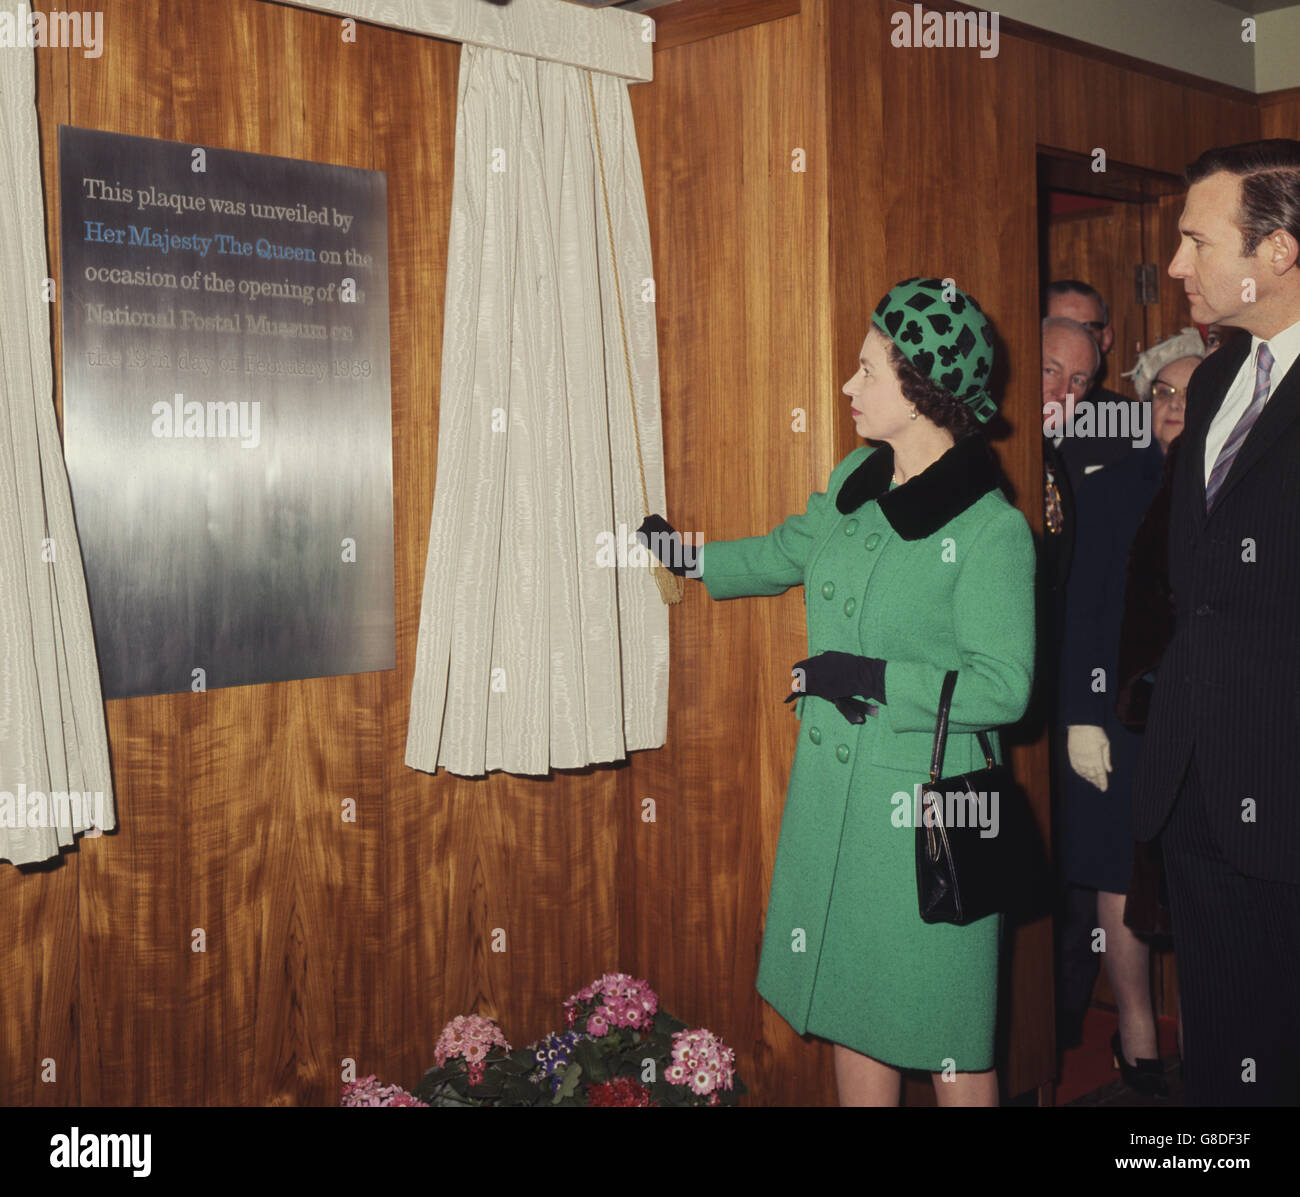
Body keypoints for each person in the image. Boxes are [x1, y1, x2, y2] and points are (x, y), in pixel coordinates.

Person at [638, 278, 1036, 1107]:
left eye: (868, 371)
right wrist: (691, 558)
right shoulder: (861, 473)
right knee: (856, 1013)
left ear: (923, 392)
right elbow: (792, 549)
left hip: (926, 810)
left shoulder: (989, 528)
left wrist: (867, 677)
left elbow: (1005, 686)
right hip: (839, 806)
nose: (849, 387)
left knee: (950, 1039)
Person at [1132, 139, 1300, 1107]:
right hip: (1197, 791)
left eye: (1197, 240)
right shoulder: (1212, 381)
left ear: (1278, 249)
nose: (1176, 266)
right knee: (1226, 1063)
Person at [1059, 328, 1205, 1098]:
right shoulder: (1115, 485)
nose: (1175, 407)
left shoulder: (1234, 481)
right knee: (1120, 874)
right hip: (1119, 723)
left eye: (1190, 391)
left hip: (1208, 722)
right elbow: (1085, 606)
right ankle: (1140, 1038)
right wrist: (1083, 715)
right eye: (1163, 394)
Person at [1046, 279, 1135, 475]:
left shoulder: (1131, 424)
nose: (1073, 337)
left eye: (1087, 328)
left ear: (1106, 338)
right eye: (1059, 326)